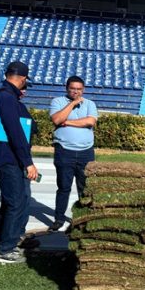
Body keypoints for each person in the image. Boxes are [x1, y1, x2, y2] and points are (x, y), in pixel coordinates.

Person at [0, 61, 39, 264]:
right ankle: (4, 249)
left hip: (13, 157)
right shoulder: (6, 97)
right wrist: (28, 162)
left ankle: (12, 238)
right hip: (9, 158)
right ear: (23, 79)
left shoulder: (9, 97)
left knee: (19, 200)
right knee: (15, 202)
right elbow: (15, 131)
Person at [48, 75, 98, 232]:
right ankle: (59, 218)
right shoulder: (58, 102)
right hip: (64, 150)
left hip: (86, 151)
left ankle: (85, 218)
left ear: (83, 90)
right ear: (67, 88)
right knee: (64, 187)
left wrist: (67, 122)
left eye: (79, 89)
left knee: (85, 188)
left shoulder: (90, 104)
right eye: (72, 89)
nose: (76, 92)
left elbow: (90, 121)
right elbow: (57, 120)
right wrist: (73, 104)